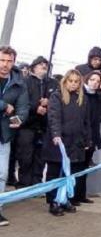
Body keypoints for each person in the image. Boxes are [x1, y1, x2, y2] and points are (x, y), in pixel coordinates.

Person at [44, 70, 90, 217]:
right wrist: (56, 135)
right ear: (65, 81)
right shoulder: (56, 96)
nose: (73, 84)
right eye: (71, 81)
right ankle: (53, 201)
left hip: (75, 142)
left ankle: (64, 199)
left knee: (70, 173)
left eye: (76, 81)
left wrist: (87, 139)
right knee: (55, 172)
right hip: (59, 142)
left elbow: (86, 122)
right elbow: (53, 117)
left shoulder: (83, 99)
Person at [17, 56, 58, 188]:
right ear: (33, 67)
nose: (44, 66)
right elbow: (21, 102)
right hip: (27, 124)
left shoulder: (52, 83)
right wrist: (36, 108)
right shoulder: (25, 82)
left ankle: (36, 183)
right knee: (25, 156)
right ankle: (24, 183)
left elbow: (57, 99)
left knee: (40, 157)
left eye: (45, 64)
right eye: (40, 64)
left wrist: (49, 102)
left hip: (44, 126)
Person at [0, 46, 30, 226]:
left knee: (2, 174)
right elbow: (8, 106)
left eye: (9, 61)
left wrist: (19, 119)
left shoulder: (19, 82)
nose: (5, 64)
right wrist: (4, 106)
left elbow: (23, 107)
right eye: (2, 60)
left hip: (4, 134)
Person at [76, 70, 101, 205]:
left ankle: (81, 194)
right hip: (80, 135)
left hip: (92, 135)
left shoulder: (97, 96)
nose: (95, 83)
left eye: (98, 81)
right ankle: (72, 195)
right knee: (76, 167)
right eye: (92, 80)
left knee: (85, 167)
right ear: (86, 80)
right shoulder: (80, 94)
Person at [75, 46, 101, 125]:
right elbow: (74, 82)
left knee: (95, 133)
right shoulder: (80, 68)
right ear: (90, 59)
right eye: (95, 59)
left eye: (100, 60)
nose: (97, 62)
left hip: (98, 105)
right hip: (81, 103)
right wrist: (90, 77)